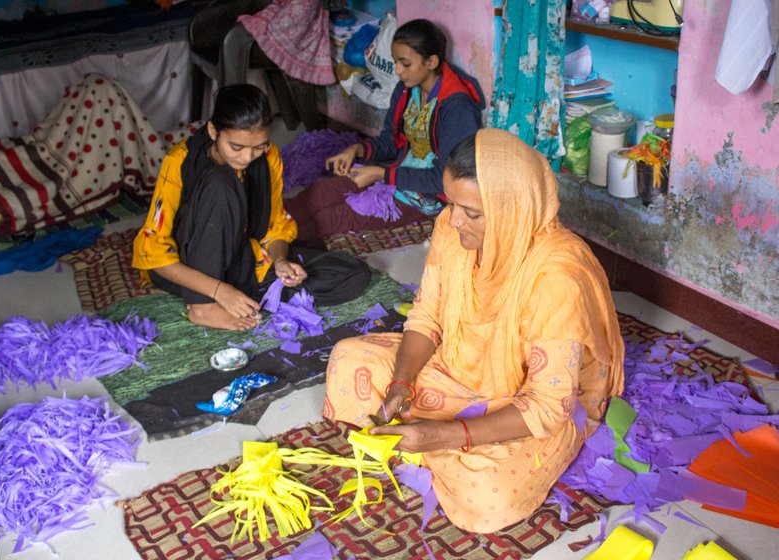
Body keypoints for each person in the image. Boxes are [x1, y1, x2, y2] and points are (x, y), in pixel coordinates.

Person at [322, 129, 625, 533]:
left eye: (473, 213)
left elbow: (547, 405)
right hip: (458, 366)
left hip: (524, 401)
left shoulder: (558, 277)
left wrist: (441, 435)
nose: (453, 220)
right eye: (452, 205)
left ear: (512, 208)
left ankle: (431, 441)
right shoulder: (451, 226)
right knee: (346, 360)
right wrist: (401, 383)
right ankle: (432, 438)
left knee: (487, 501)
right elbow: (427, 315)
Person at [132, 84, 370, 331]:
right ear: (214, 130)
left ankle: (245, 295)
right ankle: (203, 306)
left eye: (258, 146)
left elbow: (275, 226)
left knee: (353, 274)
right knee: (221, 182)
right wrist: (218, 290)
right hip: (191, 266)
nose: (247, 158)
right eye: (236, 147)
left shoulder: (268, 157)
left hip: (242, 257)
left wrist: (279, 261)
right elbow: (156, 255)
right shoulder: (180, 160)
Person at [285, 19, 485, 241]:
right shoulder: (407, 90)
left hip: (428, 194)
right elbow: (390, 141)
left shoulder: (457, 107)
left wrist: (381, 174)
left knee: (337, 217)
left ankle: (272, 246)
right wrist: (358, 149)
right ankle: (263, 226)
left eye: (405, 63)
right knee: (322, 193)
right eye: (396, 62)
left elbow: (446, 179)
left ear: (431, 62)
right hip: (396, 171)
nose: (398, 71)